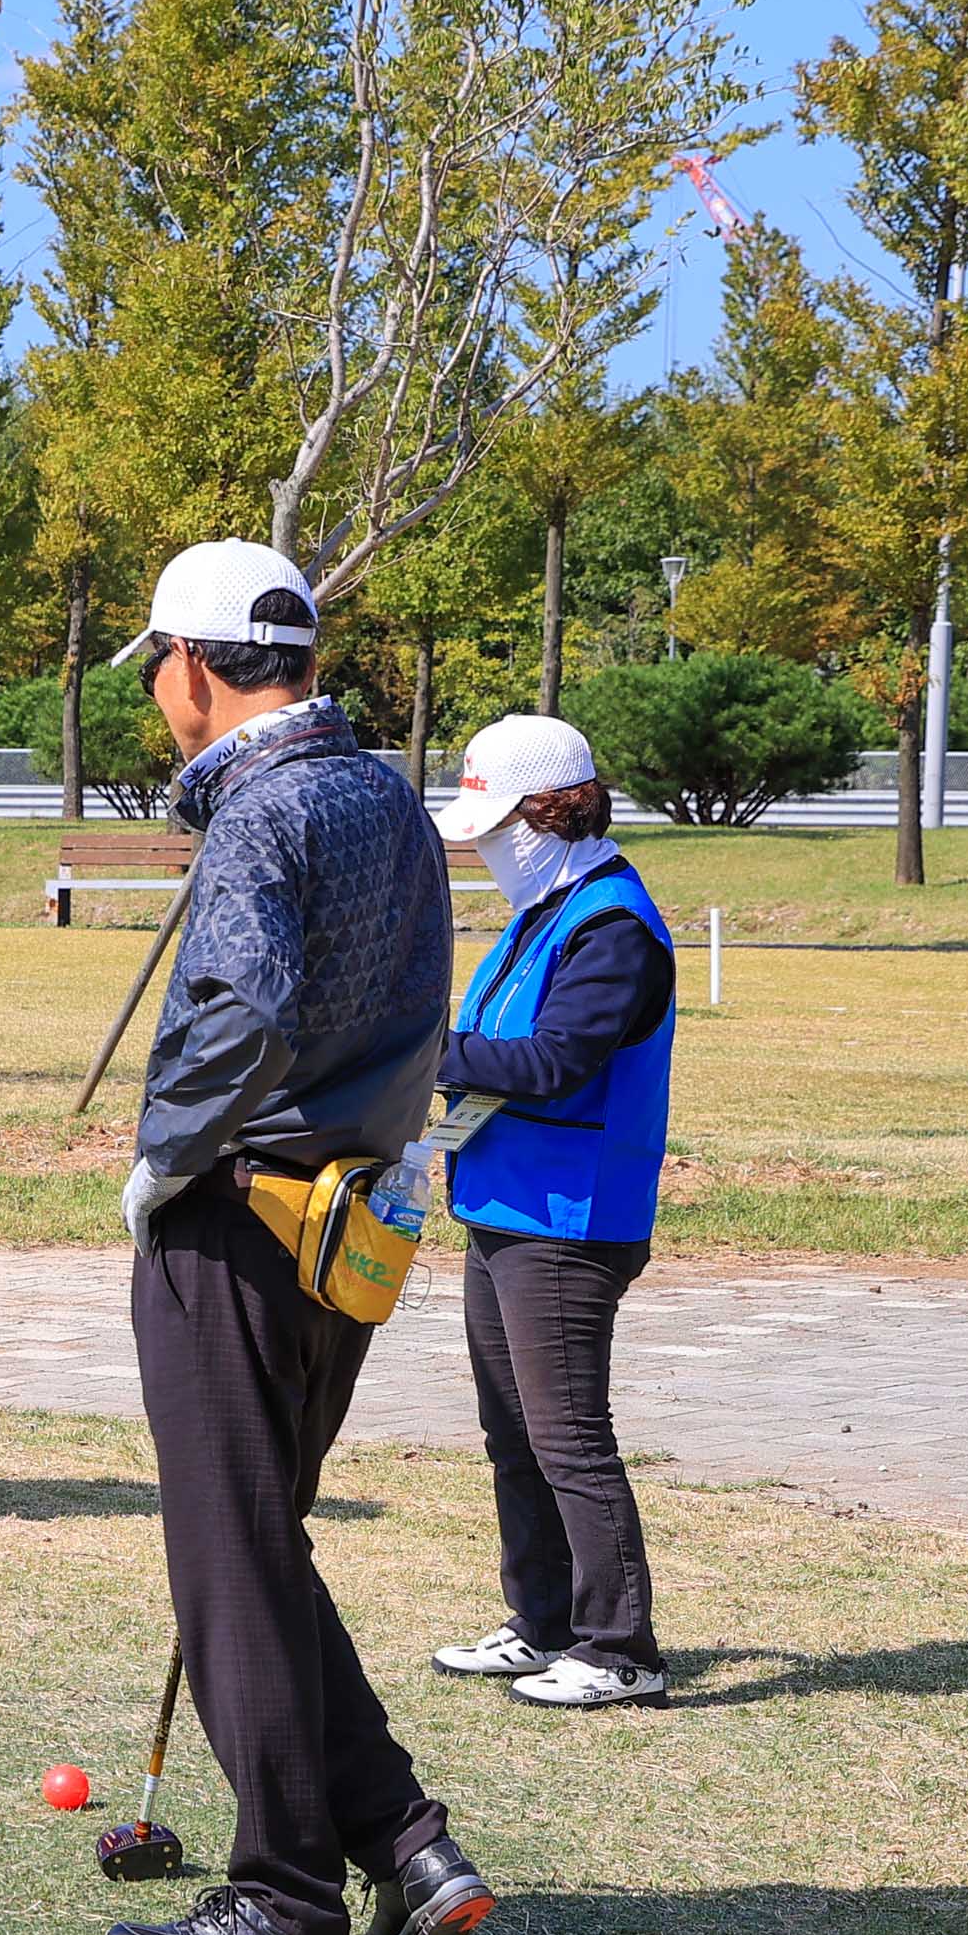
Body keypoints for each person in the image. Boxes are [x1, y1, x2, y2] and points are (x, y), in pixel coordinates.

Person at [106, 541, 495, 1935]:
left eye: (154, 667)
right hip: (349, 1224)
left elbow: (239, 1010)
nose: (154, 693)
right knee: (258, 1545)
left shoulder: (259, 810)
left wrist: (161, 1157)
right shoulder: (383, 795)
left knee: (228, 1555)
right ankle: (401, 1843)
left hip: (243, 1213)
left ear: (195, 670)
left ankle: (280, 1892)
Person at [424, 714, 678, 1710]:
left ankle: (621, 1649)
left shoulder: (610, 926)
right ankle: (542, 1625)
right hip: (502, 1203)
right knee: (512, 1433)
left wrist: (412, 1049)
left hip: (570, 1222)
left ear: (549, 813)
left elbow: (554, 1064)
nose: (484, 846)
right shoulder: (546, 907)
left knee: (568, 1436)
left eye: (497, 825)